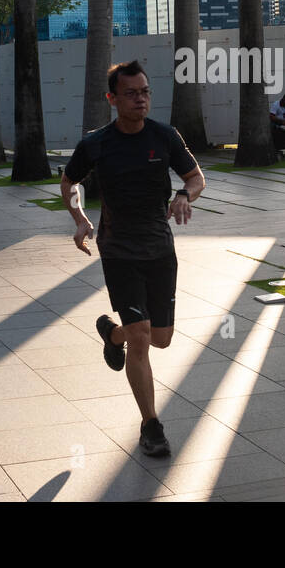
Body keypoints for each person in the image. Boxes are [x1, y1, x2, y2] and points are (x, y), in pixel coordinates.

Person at [61, 60, 205, 458]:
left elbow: (196, 177)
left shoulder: (165, 136)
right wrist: (79, 217)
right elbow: (69, 181)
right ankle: (151, 425)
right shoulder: (96, 143)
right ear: (112, 99)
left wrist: (182, 195)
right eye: (131, 93)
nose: (140, 98)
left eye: (144, 91)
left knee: (160, 338)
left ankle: (112, 334)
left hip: (160, 249)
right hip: (119, 249)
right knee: (142, 337)